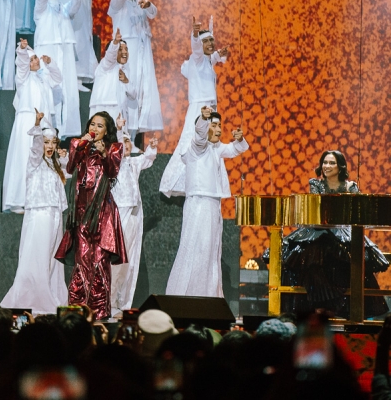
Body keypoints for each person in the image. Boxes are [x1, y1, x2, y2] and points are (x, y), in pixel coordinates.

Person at [262, 150, 391, 318]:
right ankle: (315, 307)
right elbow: (318, 208)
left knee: (351, 260)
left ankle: (345, 308)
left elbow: (356, 211)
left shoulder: (350, 186)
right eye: (325, 162)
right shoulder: (316, 184)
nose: (327, 166)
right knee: (309, 258)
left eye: (331, 163)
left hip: (343, 230)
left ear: (340, 166)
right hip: (317, 230)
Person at [165, 107, 248, 298]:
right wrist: (203, 118)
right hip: (199, 203)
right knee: (198, 248)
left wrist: (240, 138)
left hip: (212, 204)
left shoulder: (216, 148)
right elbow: (200, 135)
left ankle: (208, 295)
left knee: (210, 251)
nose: (219, 129)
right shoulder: (197, 147)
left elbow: (236, 148)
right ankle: (187, 295)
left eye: (220, 125)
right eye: (215, 125)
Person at [55, 111, 126, 319]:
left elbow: (113, 172)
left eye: (100, 126)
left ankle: (100, 311)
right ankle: (77, 309)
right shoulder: (81, 146)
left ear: (107, 130)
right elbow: (69, 167)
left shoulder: (115, 148)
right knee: (82, 259)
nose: (94, 129)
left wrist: (104, 154)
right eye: (92, 125)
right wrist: (81, 143)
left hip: (102, 213)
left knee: (99, 260)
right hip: (81, 213)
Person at [0, 111, 69, 314]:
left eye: (53, 143)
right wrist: (38, 124)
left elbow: (71, 172)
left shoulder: (55, 166)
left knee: (53, 257)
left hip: (55, 214)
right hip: (39, 214)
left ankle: (53, 293)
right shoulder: (35, 162)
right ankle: (34, 296)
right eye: (46, 142)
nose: (49, 146)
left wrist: (65, 159)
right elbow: (35, 148)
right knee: (37, 254)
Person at [159, 17, 228, 196]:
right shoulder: (196, 59)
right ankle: (178, 182)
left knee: (209, 146)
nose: (210, 43)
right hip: (200, 110)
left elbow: (212, 58)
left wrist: (220, 55)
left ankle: (205, 180)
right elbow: (197, 50)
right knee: (193, 142)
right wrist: (195, 35)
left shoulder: (206, 61)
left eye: (212, 40)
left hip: (210, 110)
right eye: (206, 41)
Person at [2, 41, 63, 213]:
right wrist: (22, 50)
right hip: (27, 123)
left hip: (42, 122)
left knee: (41, 161)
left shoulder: (42, 77)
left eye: (36, 58)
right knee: (24, 158)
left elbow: (58, 79)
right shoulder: (23, 78)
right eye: (32, 59)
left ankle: (38, 197)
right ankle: (17, 200)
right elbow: (21, 64)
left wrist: (50, 64)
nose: (36, 61)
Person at [108, 0, 163, 135]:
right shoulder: (117, 1)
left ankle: (131, 138)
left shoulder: (140, 0)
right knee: (127, 89)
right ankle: (123, 136)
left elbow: (153, 13)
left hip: (142, 52)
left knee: (140, 91)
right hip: (126, 51)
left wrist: (148, 5)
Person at [110, 126, 158, 316]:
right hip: (118, 214)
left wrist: (152, 148)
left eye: (128, 141)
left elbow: (147, 159)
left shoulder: (133, 163)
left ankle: (122, 300)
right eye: (123, 142)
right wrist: (120, 128)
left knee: (128, 259)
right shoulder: (113, 165)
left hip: (133, 215)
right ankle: (110, 299)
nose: (126, 145)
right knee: (116, 259)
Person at [33, 0, 83, 138]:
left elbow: (75, 6)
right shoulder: (40, 8)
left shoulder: (65, 9)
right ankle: (47, 127)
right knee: (47, 87)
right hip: (46, 50)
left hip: (64, 50)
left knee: (66, 87)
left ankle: (65, 129)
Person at [89, 28, 138, 130]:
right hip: (104, 108)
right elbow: (110, 56)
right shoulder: (105, 65)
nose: (125, 52)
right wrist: (115, 42)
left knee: (118, 142)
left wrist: (126, 81)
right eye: (120, 49)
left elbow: (133, 95)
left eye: (126, 49)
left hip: (119, 111)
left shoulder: (125, 69)